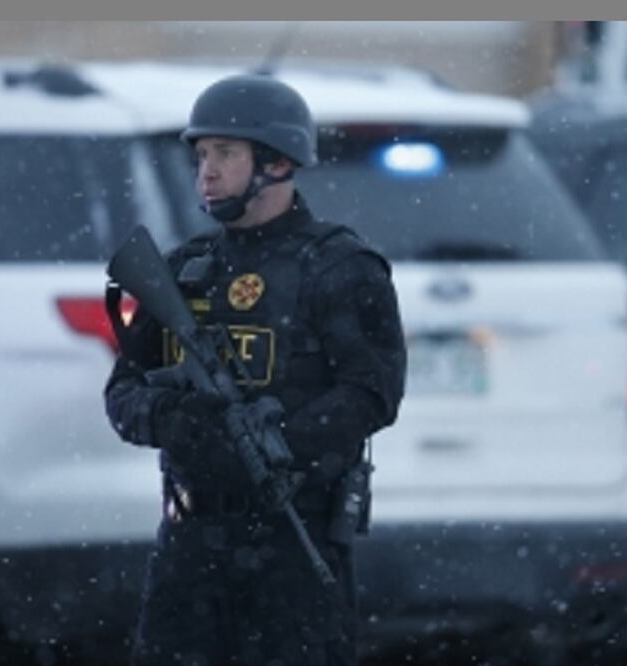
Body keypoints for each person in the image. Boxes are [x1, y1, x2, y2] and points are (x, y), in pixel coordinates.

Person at [104, 73, 407, 666]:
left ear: (276, 162)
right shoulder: (185, 270)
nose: (206, 172)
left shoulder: (339, 268)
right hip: (190, 548)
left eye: (225, 153)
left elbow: (373, 394)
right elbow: (122, 391)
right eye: (201, 155)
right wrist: (174, 418)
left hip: (295, 542)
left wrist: (282, 441)